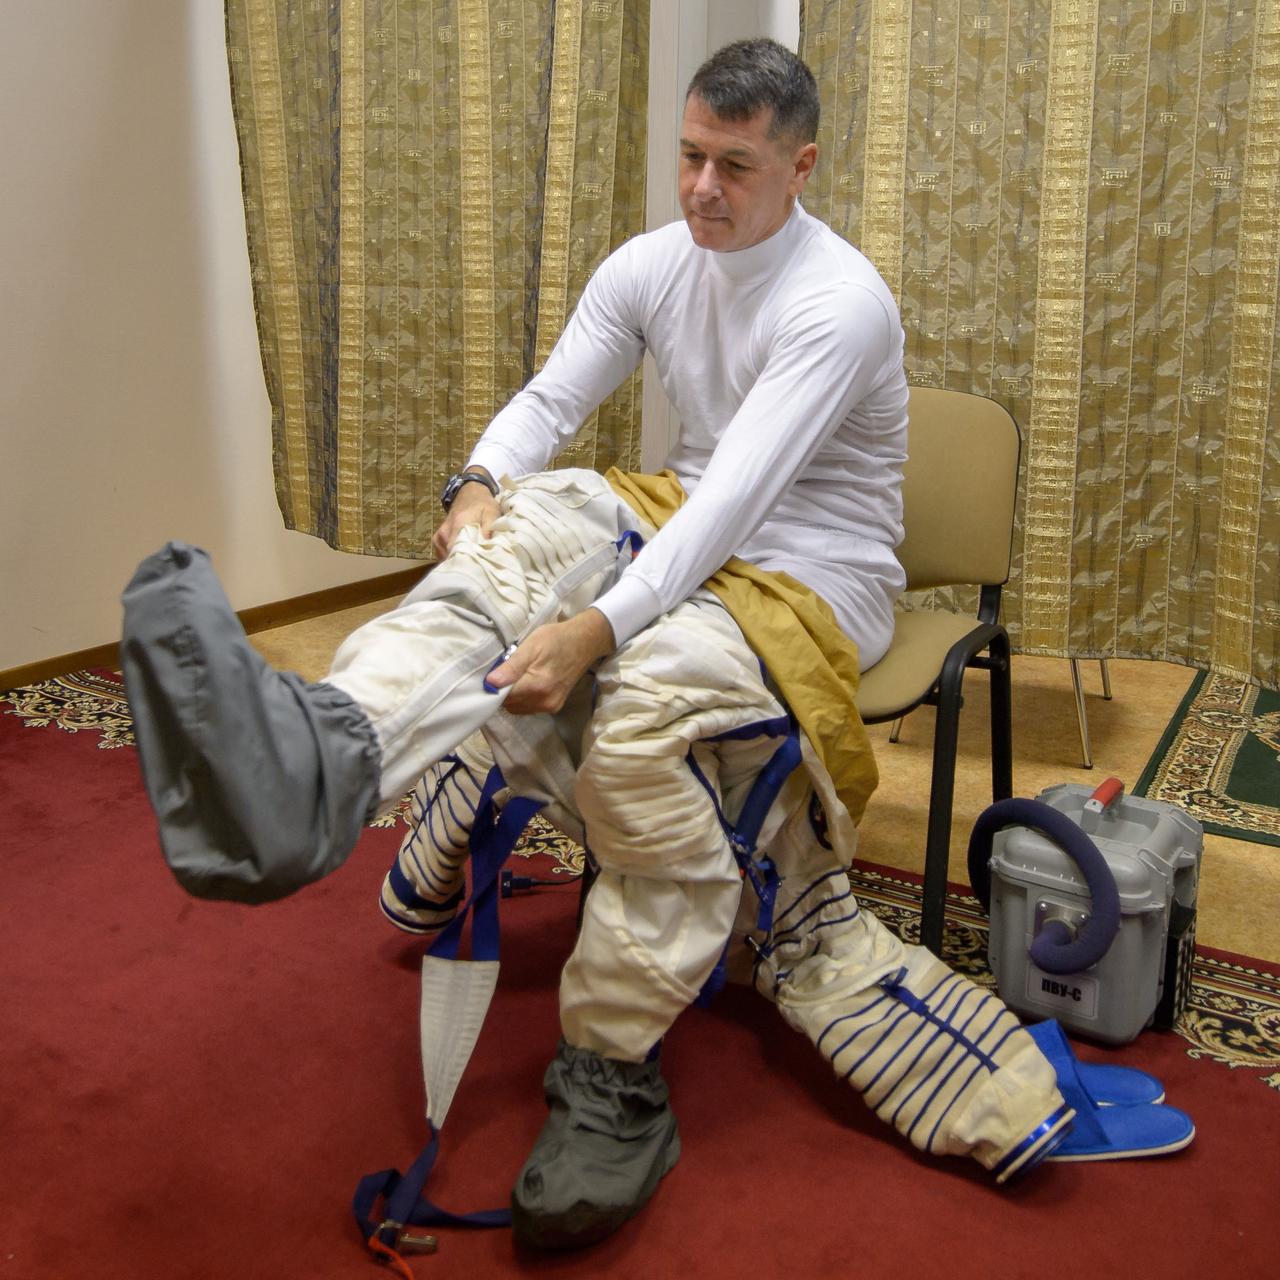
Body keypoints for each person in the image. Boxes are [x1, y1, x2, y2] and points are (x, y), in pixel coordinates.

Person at [123, 39, 1082, 1254]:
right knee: (527, 528)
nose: (700, 190)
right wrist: (479, 483)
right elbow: (547, 400)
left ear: (800, 167)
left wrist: (591, 632)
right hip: (680, 516)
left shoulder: (839, 302)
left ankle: (610, 1064)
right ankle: (320, 756)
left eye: (732, 166)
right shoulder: (651, 262)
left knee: (632, 719)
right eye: (688, 156)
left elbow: (738, 500)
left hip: (812, 578)